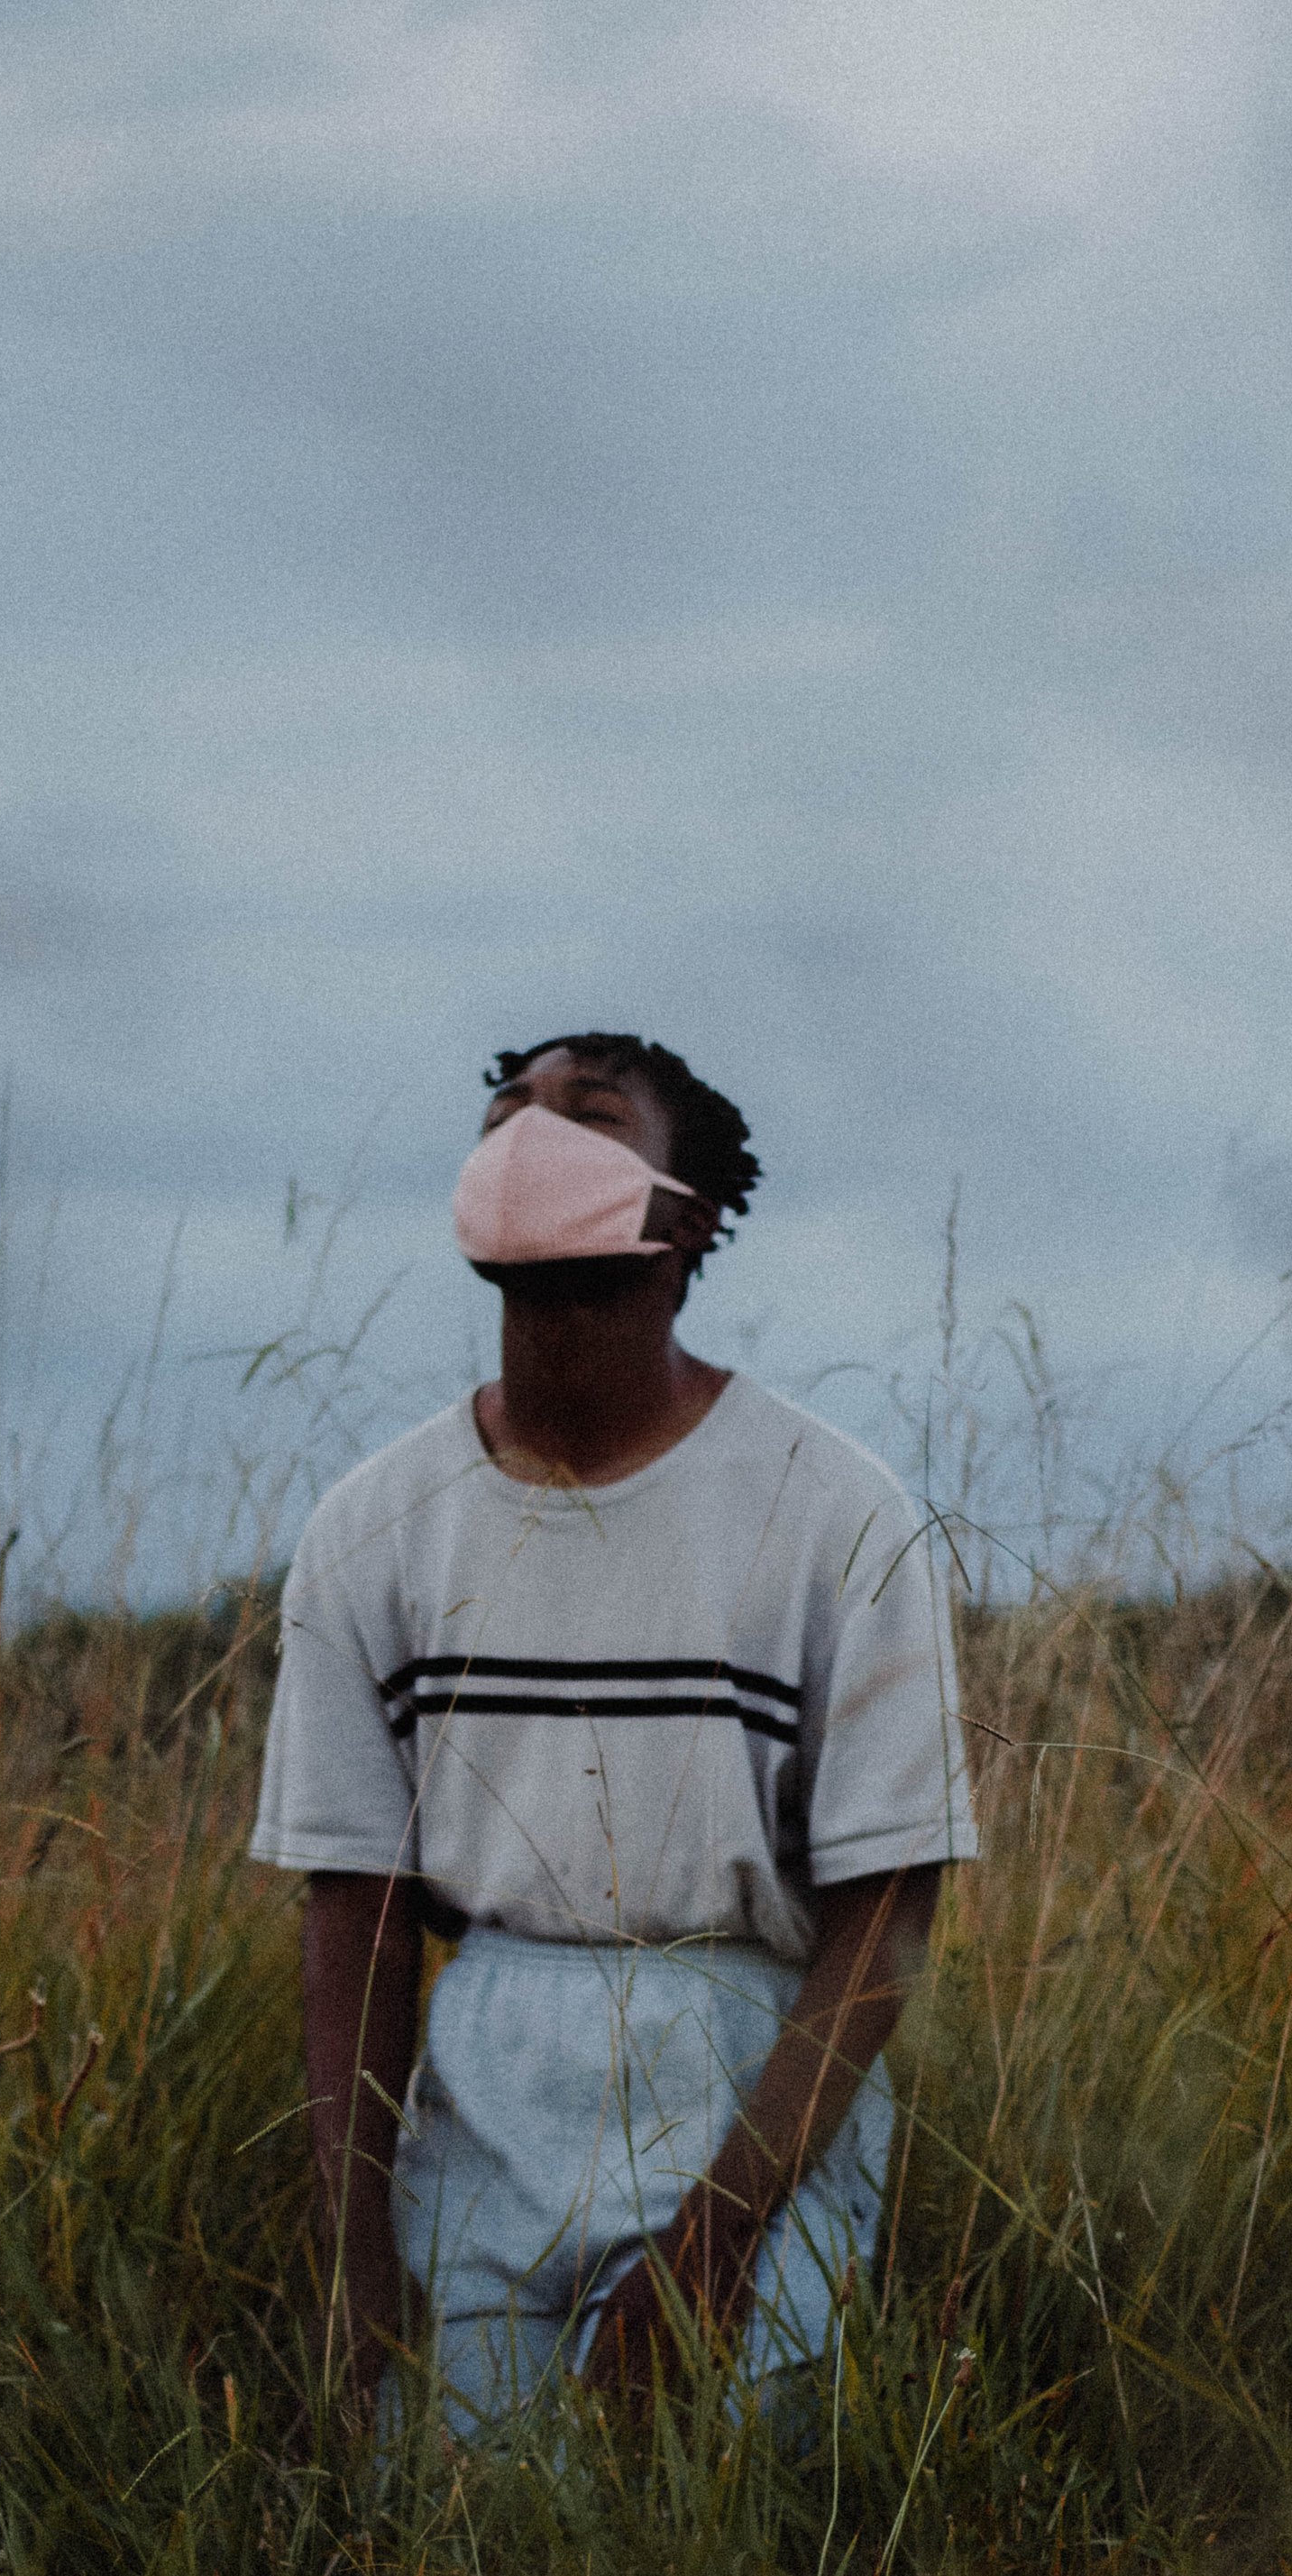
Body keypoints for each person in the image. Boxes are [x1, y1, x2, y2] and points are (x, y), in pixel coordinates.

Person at [251, 1033, 976, 2431]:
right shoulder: (372, 1529)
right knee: (464, 2535)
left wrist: (717, 2237)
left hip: (743, 2070)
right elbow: (359, 1922)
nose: (530, 1137)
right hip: (489, 2079)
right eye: (506, 1111)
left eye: (588, 1116)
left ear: (685, 1218)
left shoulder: (837, 1511)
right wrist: (354, 2269)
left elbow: (883, 1921)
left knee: (723, 2484)